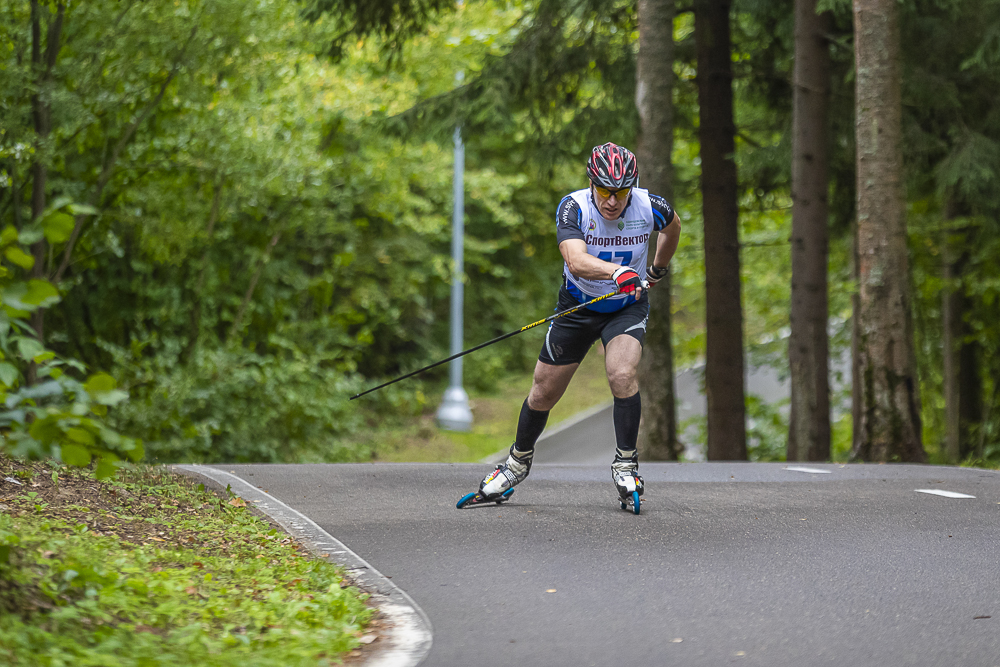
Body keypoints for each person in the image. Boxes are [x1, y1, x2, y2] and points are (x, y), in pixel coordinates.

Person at [476, 142, 682, 504]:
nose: (613, 201)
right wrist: (618, 271)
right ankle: (516, 463)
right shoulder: (575, 207)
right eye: (605, 190)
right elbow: (575, 259)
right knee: (543, 392)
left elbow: (674, 226)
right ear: (592, 183)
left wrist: (657, 268)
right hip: (578, 305)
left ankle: (625, 466)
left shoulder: (651, 206)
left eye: (621, 192)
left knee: (622, 374)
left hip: (625, 308)